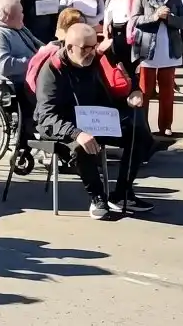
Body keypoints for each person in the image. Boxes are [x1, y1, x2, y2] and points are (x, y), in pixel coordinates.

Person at [34, 23, 153, 219]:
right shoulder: (52, 70)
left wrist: (133, 93)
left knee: (138, 134)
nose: (91, 52)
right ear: (70, 47)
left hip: (94, 119)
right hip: (63, 126)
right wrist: (76, 133)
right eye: (85, 48)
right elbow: (47, 115)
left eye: (93, 46)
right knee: (81, 147)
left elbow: (120, 82)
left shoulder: (96, 60)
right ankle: (97, 197)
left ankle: (122, 193)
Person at [130, 0, 183, 137]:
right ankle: (143, 127)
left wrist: (169, 18)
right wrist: (154, 16)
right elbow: (134, 19)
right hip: (147, 51)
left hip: (169, 51)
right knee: (144, 92)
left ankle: (165, 125)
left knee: (167, 91)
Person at [0, 0, 45, 96]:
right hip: (15, 88)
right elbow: (3, 66)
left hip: (34, 78)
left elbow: (39, 46)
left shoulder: (19, 27)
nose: (23, 15)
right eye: (20, 13)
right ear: (8, 16)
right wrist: (33, 62)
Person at [105, 0, 135, 72]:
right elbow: (109, 12)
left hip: (131, 28)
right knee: (118, 55)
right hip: (117, 27)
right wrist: (107, 25)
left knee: (130, 56)